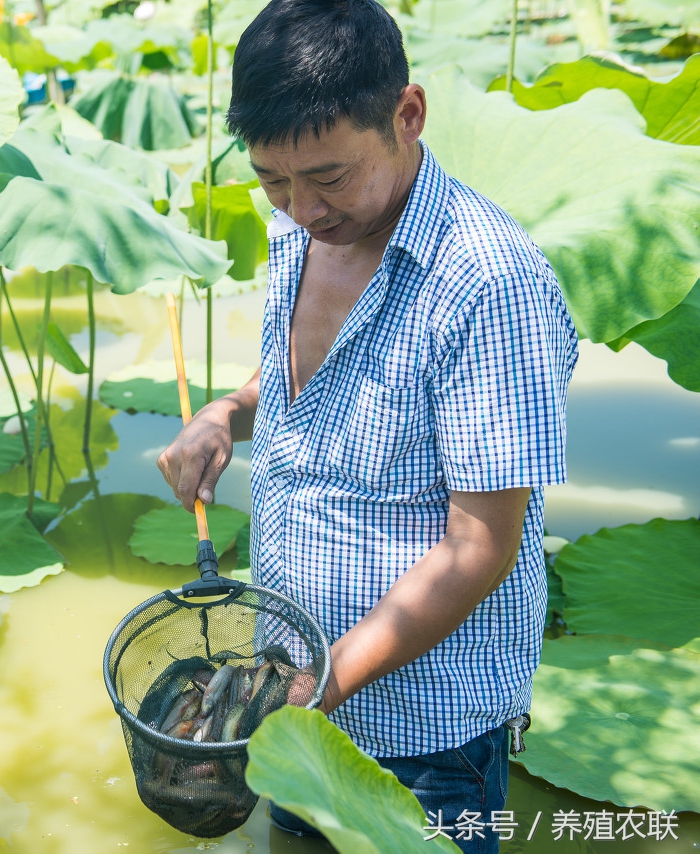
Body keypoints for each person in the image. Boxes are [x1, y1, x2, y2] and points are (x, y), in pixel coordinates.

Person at [154, 1, 579, 852]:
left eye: (328, 178)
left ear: (406, 115)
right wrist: (226, 413)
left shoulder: (488, 287)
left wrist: (321, 685)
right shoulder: (302, 228)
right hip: (291, 687)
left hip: (421, 730)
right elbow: (304, 374)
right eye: (274, 180)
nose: (301, 208)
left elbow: (478, 549)